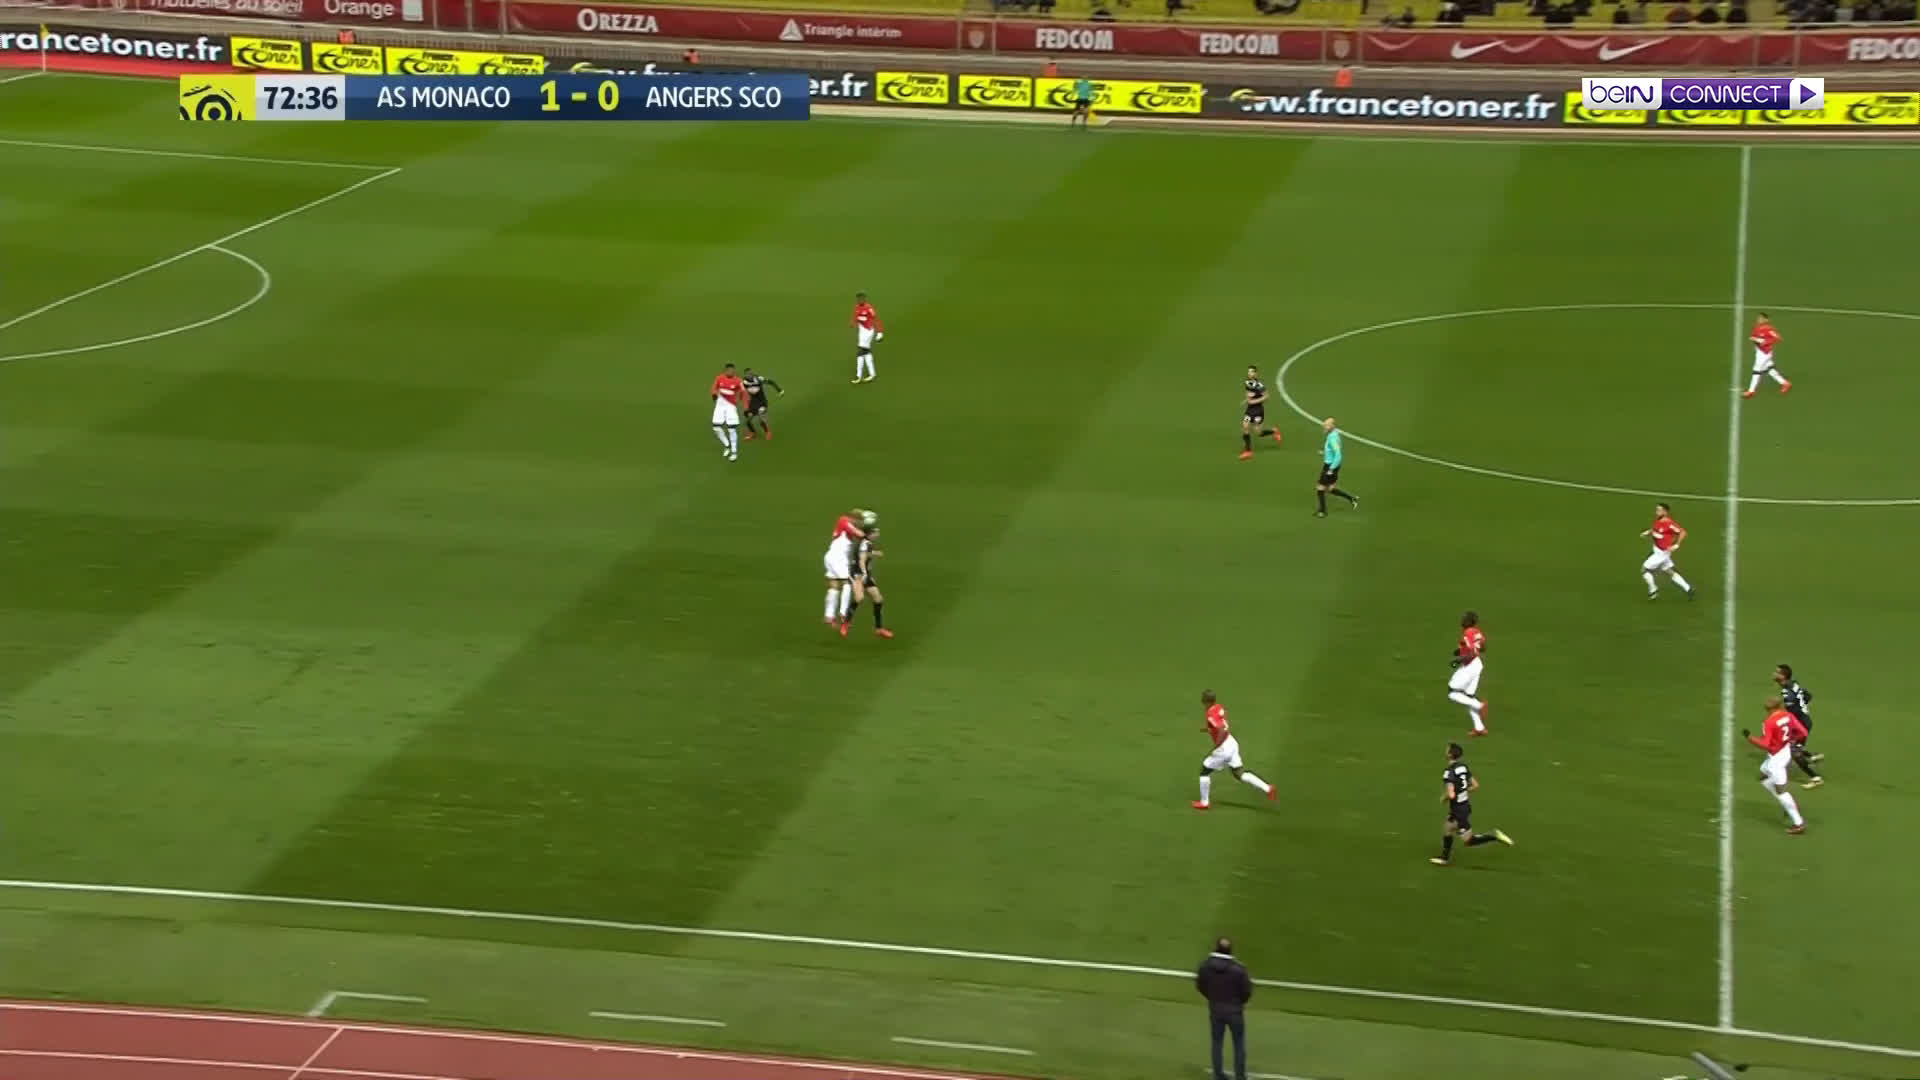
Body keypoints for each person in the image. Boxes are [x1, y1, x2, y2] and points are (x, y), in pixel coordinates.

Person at [1431, 742, 1513, 866]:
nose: (1445, 751)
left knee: (1468, 840)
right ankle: (1444, 857)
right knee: (1447, 828)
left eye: (1447, 750)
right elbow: (1475, 785)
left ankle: (1493, 836)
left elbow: (1451, 794)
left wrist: (1444, 797)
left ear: (1450, 755)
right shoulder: (1463, 767)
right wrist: (1462, 791)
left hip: (1459, 810)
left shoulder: (1449, 773)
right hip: (1464, 806)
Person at [1193, 690, 1276, 809]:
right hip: (1231, 743)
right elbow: (1221, 723)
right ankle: (1268, 789)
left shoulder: (1210, 714)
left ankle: (1204, 802)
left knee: (1204, 771)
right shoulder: (1218, 707)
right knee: (1239, 774)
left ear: (1206, 701)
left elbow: (1221, 729)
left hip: (1223, 748)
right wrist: (1209, 730)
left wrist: (1217, 746)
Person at [1744, 698, 1809, 834]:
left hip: (1776, 761)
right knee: (1764, 775)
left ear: (1769, 709)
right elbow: (1803, 732)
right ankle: (1788, 804)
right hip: (1785, 752)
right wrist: (1792, 740)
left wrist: (1750, 738)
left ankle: (1799, 823)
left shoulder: (1769, 722)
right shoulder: (1789, 716)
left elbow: (1765, 744)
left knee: (1781, 792)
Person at [1194, 938, 1252, 1080]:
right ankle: (1240, 1076)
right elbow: (1246, 992)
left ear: (1216, 948)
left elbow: (1200, 986)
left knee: (1217, 1042)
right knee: (1238, 1044)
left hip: (1215, 1009)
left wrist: (1212, 998)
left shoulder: (1205, 966)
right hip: (1235, 1012)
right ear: (1230, 951)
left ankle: (1218, 1075)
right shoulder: (1239, 969)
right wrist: (1238, 1003)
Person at [823, 509, 873, 631]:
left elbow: (857, 535)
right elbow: (859, 533)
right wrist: (867, 532)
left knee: (834, 586)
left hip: (832, 557)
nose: (859, 524)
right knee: (847, 583)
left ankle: (829, 616)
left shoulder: (847, 526)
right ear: (854, 518)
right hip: (836, 558)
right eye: (859, 521)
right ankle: (843, 613)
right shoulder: (844, 520)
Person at [1773, 664, 1822, 787]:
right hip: (1804, 720)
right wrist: (1802, 706)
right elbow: (1808, 696)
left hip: (1801, 725)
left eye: (1777, 672)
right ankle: (1812, 756)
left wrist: (1787, 721)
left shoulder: (1787, 692)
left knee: (1794, 752)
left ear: (1783, 676)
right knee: (1788, 743)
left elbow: (1792, 712)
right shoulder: (1794, 684)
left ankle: (1815, 778)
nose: (1774, 674)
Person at [1639, 502, 1695, 600]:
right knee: (1669, 571)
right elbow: (1655, 529)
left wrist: (1677, 544)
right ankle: (1688, 589)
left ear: (1665, 512)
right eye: (1656, 509)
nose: (1656, 511)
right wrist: (1647, 532)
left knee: (1644, 570)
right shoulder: (1658, 520)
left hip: (1662, 553)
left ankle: (1653, 590)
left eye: (1659, 510)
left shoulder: (1669, 523)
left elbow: (1682, 532)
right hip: (1658, 551)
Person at [845, 527, 893, 639]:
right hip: (858, 575)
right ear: (870, 534)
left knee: (878, 599)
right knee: (859, 598)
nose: (878, 534)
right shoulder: (865, 544)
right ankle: (846, 623)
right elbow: (862, 560)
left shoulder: (867, 543)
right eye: (875, 532)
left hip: (865, 575)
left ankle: (879, 629)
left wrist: (876, 553)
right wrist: (864, 574)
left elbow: (867, 553)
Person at [1447, 611, 1489, 736]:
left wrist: (1458, 660)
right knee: (1469, 696)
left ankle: (1480, 705)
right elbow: (1482, 647)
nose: (1462, 620)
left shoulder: (1467, 633)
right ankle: (1479, 728)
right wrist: (1460, 650)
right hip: (1477, 664)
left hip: (1470, 665)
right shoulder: (1477, 632)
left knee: (1452, 692)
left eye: (1464, 619)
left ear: (1469, 622)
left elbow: (1471, 652)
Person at [1314, 417, 1358, 518]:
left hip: (1330, 466)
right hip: (1333, 465)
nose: (1324, 426)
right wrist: (1324, 453)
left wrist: (1331, 469)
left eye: (1327, 425)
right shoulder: (1335, 434)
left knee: (1320, 488)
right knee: (1330, 488)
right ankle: (1352, 499)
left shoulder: (1332, 438)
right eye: (1324, 424)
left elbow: (1338, 455)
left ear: (1332, 426)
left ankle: (1322, 511)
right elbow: (1333, 451)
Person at [1239, 366, 1282, 460]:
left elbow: (1267, 396)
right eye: (1249, 372)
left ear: (1255, 373)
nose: (1249, 373)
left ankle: (1274, 431)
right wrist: (1247, 400)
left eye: (1252, 372)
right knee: (1245, 426)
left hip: (1258, 410)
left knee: (1258, 432)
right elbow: (1248, 393)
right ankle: (1248, 451)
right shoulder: (1247, 382)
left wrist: (1253, 401)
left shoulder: (1259, 386)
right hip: (1250, 409)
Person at [1744, 312, 1790, 398]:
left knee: (1756, 370)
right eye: (1759, 318)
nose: (1759, 319)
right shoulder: (1756, 327)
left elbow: (1778, 338)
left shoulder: (1769, 329)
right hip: (1758, 351)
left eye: (1761, 318)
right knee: (1769, 369)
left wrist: (1765, 342)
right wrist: (1754, 339)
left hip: (1765, 353)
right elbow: (1752, 336)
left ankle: (1751, 391)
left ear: (1766, 320)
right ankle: (1785, 383)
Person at [710, 363, 745, 462]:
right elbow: (714, 388)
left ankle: (734, 452)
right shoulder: (719, 378)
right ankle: (727, 445)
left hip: (730, 406)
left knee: (731, 429)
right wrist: (714, 394)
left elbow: (743, 391)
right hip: (720, 405)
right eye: (729, 370)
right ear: (725, 370)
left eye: (733, 370)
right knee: (716, 428)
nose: (731, 372)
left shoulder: (738, 381)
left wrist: (741, 402)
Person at [740, 368, 784, 441]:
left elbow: (771, 382)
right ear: (745, 375)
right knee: (747, 420)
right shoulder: (744, 382)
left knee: (761, 418)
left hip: (762, 402)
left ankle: (767, 432)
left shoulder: (758, 379)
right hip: (753, 403)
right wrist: (746, 404)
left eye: (750, 373)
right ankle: (753, 433)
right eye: (748, 374)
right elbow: (743, 394)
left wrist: (779, 390)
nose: (750, 375)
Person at [851, 292, 883, 384]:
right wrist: (853, 322)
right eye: (858, 298)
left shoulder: (869, 308)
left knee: (860, 351)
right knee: (866, 352)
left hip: (868, 331)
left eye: (861, 298)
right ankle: (872, 374)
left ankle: (858, 376)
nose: (860, 300)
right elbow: (855, 317)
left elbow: (875, 319)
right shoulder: (856, 307)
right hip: (861, 332)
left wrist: (880, 332)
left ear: (864, 299)